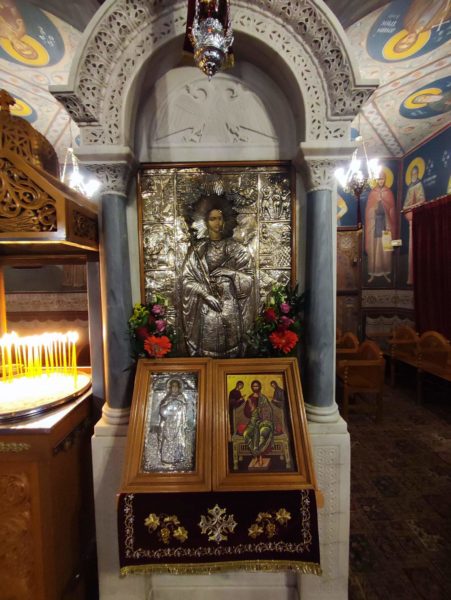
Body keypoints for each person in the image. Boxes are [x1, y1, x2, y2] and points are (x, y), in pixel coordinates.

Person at [181, 195, 256, 357]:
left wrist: (229, 273)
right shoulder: (198, 250)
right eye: (212, 219)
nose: (217, 223)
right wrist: (205, 295)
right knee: (208, 348)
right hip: (207, 307)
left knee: (231, 347)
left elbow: (249, 279)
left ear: (225, 221)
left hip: (229, 306)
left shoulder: (236, 249)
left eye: (220, 218)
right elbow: (186, 280)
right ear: (205, 222)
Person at [364, 170, 396, 283]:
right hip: (374, 224)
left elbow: (392, 210)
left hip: (386, 224)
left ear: (385, 179)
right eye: (379, 179)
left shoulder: (389, 192)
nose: (380, 181)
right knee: (374, 247)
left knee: (384, 248)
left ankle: (385, 272)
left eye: (382, 179)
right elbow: (368, 210)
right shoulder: (372, 193)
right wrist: (375, 205)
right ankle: (373, 272)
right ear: (376, 180)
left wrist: (384, 203)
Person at [402, 164, 426, 285]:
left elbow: (422, 200)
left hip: (418, 218)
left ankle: (417, 278)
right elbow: (405, 205)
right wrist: (407, 207)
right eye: (412, 174)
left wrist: (411, 206)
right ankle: (410, 277)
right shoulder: (410, 187)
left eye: (415, 173)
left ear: (418, 174)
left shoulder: (419, 185)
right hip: (410, 217)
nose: (414, 176)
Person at [243, 380, 274, 467]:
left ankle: (260, 457)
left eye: (256, 386)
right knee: (246, 434)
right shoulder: (250, 398)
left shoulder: (263, 398)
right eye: (254, 386)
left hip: (263, 421)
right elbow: (246, 412)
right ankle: (255, 453)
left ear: (259, 387)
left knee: (261, 434)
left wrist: (262, 413)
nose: (255, 388)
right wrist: (251, 410)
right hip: (253, 422)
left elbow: (269, 411)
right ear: (251, 388)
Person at [158, 379, 188, 466]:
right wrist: (168, 406)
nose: (174, 388)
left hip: (178, 422)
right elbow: (162, 410)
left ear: (179, 388)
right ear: (170, 388)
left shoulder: (181, 398)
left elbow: (184, 409)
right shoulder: (167, 398)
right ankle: (166, 458)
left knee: (178, 438)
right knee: (167, 437)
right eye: (173, 386)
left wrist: (179, 404)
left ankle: (177, 458)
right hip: (168, 421)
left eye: (176, 386)